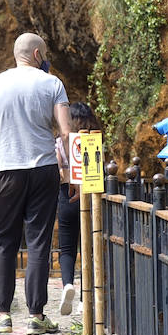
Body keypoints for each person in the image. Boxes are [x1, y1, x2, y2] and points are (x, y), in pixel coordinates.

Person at [0, 32, 74, 335]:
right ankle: (37, 316)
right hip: (44, 170)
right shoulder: (53, 84)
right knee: (38, 241)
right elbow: (66, 133)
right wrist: (72, 173)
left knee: (5, 241)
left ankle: (2, 315)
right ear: (38, 54)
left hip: (7, 172)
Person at [55, 100, 99, 315]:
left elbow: (56, 168)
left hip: (66, 195)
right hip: (90, 199)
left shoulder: (60, 143)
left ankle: (67, 285)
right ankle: (85, 299)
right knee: (88, 248)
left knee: (67, 248)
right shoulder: (93, 141)